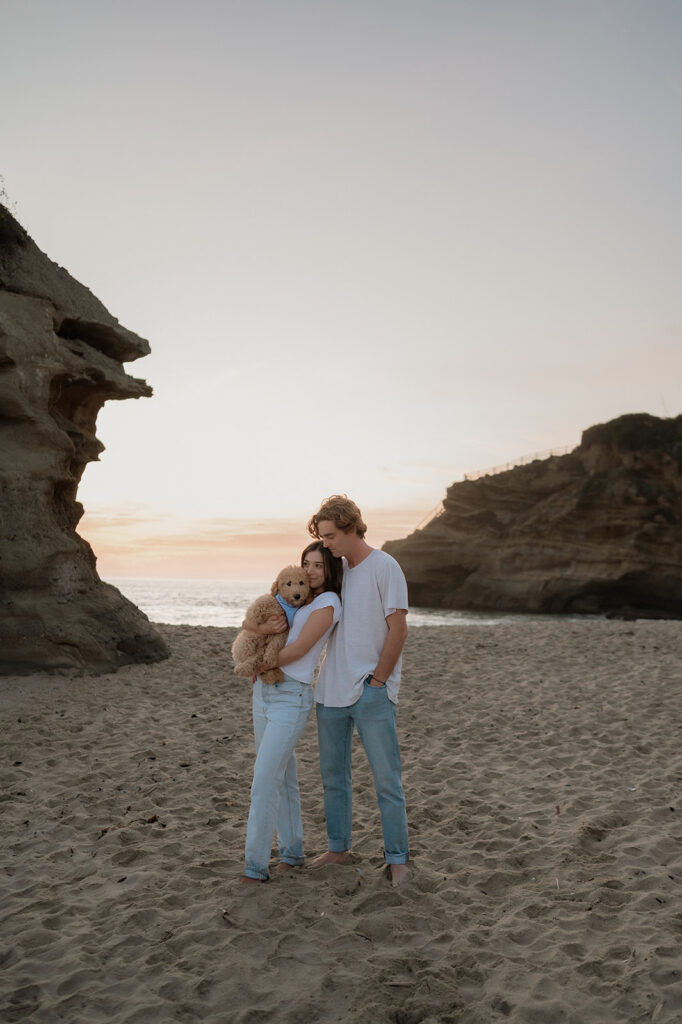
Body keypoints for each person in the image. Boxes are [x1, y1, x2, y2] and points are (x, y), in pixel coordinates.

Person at [307, 495, 410, 885]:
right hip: (329, 692)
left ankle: (398, 858)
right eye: (321, 537)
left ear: (351, 528)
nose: (326, 543)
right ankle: (338, 848)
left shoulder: (386, 567)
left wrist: (379, 682)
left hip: (371, 692)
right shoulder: (335, 573)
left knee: (387, 780)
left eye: (331, 535)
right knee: (334, 778)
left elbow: (398, 628)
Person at [240, 541, 342, 883]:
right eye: (306, 564)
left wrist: (254, 662)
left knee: (264, 780)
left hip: (292, 696)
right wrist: (260, 634)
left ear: (329, 570)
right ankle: (292, 852)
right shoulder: (290, 602)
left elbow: (298, 650)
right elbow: (255, 627)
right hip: (264, 692)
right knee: (282, 777)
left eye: (318, 565)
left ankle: (254, 867)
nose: (311, 572)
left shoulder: (327, 603)